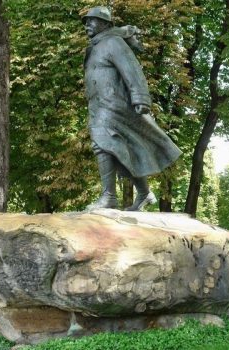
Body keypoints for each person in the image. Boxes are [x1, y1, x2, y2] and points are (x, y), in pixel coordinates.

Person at [82, 6, 181, 211]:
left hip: (114, 105)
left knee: (101, 144)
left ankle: (109, 196)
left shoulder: (113, 43)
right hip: (99, 105)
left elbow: (132, 70)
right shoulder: (95, 47)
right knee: (121, 149)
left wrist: (140, 98)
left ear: (106, 24)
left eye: (92, 20)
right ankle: (144, 193)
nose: (87, 25)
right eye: (86, 21)